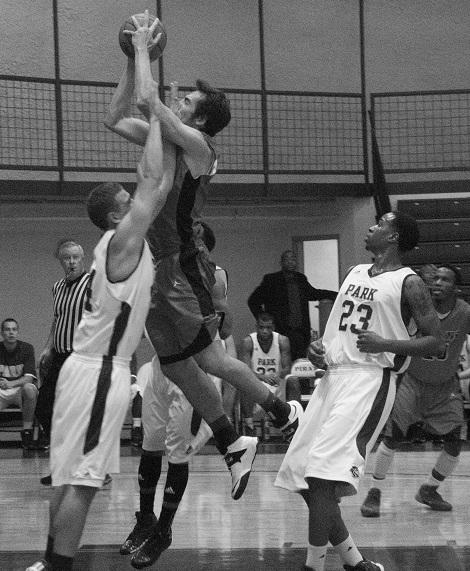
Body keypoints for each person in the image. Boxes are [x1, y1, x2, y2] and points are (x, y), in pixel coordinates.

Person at [104, 12, 301, 501]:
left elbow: (151, 102)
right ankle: (237, 439)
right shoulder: (169, 137)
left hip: (184, 264)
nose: (179, 99)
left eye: (187, 100)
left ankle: (280, 414)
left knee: (211, 359)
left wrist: (145, 47)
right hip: (154, 264)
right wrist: (131, 61)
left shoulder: (199, 147)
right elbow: (113, 116)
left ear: (201, 118)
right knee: (172, 364)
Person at [26, 76, 174, 571]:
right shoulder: (123, 243)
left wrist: (134, 65)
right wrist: (154, 110)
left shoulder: (117, 243)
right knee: (84, 484)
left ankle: (50, 563)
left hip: (79, 368)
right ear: (116, 216)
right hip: (100, 372)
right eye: (127, 201)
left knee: (68, 477)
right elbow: (152, 182)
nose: (137, 200)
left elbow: (160, 180)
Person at [275, 211, 444, 571]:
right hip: (332, 378)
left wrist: (386, 342)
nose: (371, 227)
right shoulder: (354, 272)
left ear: (395, 236)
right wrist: (317, 350)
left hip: (369, 381)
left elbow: (436, 341)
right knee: (306, 477)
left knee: (321, 477)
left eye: (380, 223)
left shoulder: (408, 282)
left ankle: (314, 566)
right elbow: (339, 329)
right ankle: (354, 561)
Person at [120, 221, 238, 569]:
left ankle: (164, 530)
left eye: (195, 234)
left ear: (203, 243)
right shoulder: (159, 266)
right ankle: (144, 519)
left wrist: (209, 310)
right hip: (162, 363)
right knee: (149, 444)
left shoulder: (213, 275)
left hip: (193, 369)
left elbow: (225, 327)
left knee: (177, 452)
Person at [361, 264, 470, 517]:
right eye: (437, 278)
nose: (438, 283)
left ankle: (429, 489)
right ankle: (374, 491)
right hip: (412, 381)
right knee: (393, 437)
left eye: (445, 280)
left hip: (445, 387)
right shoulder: (419, 310)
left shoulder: (464, 312)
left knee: (455, 441)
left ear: (457, 288)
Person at [35, 239, 90, 477]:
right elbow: (57, 319)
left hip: (82, 358)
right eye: (67, 258)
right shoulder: (57, 287)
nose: (72, 262)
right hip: (59, 356)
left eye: (76, 257)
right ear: (60, 260)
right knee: (44, 409)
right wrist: (48, 347)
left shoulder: (92, 284)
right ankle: (64, 463)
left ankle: (90, 467)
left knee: (77, 414)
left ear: (82, 258)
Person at [248, 249, 337, 361]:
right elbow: (253, 301)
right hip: (280, 331)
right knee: (282, 365)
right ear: (281, 262)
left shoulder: (301, 279)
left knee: (300, 365)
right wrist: (264, 321)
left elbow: (314, 293)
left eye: (293, 259)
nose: (290, 262)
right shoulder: (271, 280)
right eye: (287, 259)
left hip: (300, 332)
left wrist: (338, 295)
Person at [239, 312, 299, 438]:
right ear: (256, 327)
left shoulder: (282, 340)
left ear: (273, 328)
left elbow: (287, 367)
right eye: (261, 327)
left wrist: (278, 375)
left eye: (268, 328)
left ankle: (294, 425)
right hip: (257, 384)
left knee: (293, 380)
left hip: (276, 384)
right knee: (244, 383)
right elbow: (245, 369)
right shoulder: (248, 342)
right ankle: (250, 427)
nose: (265, 331)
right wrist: (262, 377)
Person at [0, 318, 38, 450]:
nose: (11, 332)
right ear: (2, 333)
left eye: (14, 329)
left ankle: (27, 432)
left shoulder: (27, 349)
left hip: (19, 390)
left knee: (30, 389)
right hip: (2, 391)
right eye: (7, 329)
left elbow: (28, 378)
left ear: (18, 332)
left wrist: (11, 384)